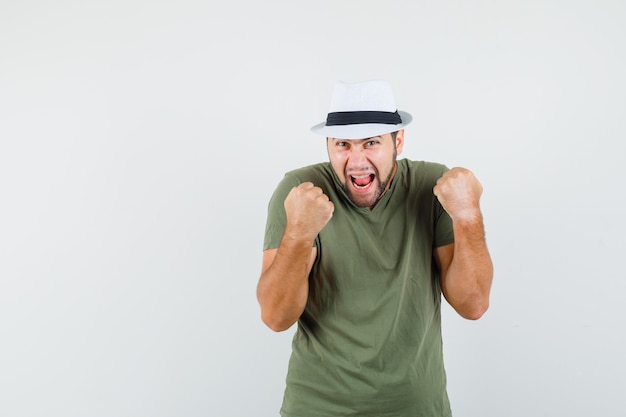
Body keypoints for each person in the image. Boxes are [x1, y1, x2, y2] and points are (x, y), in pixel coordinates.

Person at [256, 80, 493, 417]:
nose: (356, 160)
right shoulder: (300, 191)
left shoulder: (432, 186)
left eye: (371, 143)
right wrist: (298, 234)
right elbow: (276, 317)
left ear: (398, 141)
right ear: (328, 145)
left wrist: (468, 216)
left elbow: (473, 305)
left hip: (416, 407)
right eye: (342, 144)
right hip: (318, 408)